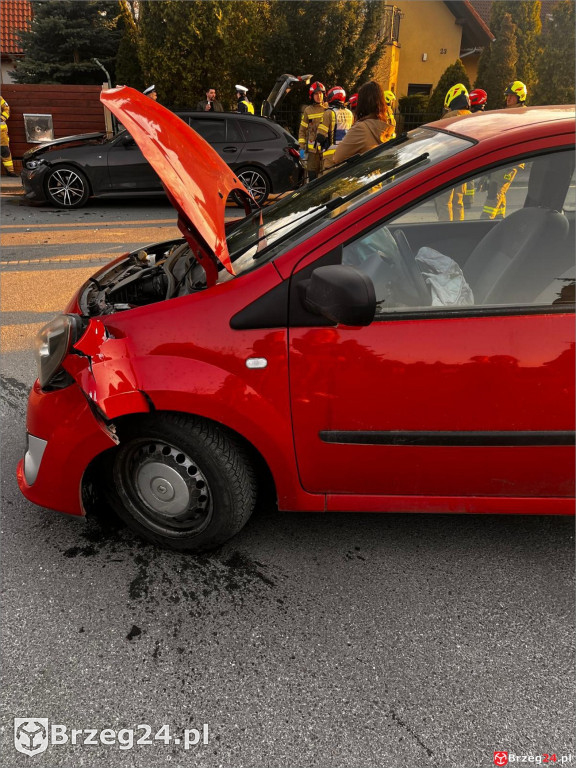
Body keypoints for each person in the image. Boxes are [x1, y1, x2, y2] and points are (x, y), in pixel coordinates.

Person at [481, 82, 527, 218]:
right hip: (504, 158)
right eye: (508, 96)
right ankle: (499, 220)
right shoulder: (511, 112)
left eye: (512, 96)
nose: (508, 99)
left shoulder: (521, 114)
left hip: (511, 161)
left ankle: (485, 221)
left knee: (495, 190)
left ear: (520, 97)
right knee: (499, 190)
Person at [332, 81, 396, 167]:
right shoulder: (387, 125)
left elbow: (337, 158)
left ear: (362, 102)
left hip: (361, 177)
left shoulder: (361, 129)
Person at [435, 84, 472, 220]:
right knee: (458, 202)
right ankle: (458, 231)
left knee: (444, 203)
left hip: (448, 167)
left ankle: (446, 233)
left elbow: (439, 143)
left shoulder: (450, 117)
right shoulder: (471, 117)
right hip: (463, 168)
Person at [316, 85, 354, 172]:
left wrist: (319, 149)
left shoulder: (329, 113)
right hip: (346, 153)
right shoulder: (350, 113)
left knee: (328, 182)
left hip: (330, 155)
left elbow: (320, 137)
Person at [298, 81, 327, 181]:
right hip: (312, 152)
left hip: (325, 150)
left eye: (321, 93)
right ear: (312, 95)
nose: (319, 96)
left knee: (326, 177)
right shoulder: (308, 110)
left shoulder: (328, 109)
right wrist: (302, 149)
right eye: (316, 94)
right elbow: (302, 130)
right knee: (312, 177)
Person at [1, 96, 16, 176]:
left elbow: (7, 108)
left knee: (5, 151)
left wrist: (2, 117)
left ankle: (10, 171)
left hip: (1, 132)